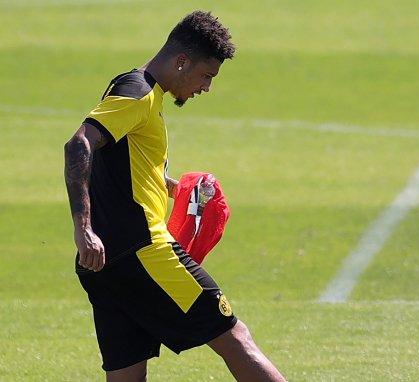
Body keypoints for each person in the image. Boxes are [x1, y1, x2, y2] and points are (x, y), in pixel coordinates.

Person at [63, 10, 286, 382]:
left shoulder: (131, 88)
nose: (206, 87)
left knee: (126, 374)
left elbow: (119, 161)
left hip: (105, 267)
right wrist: (82, 227)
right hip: (145, 252)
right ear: (182, 62)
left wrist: (169, 185)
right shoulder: (139, 94)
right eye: (206, 75)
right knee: (237, 339)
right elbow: (79, 144)